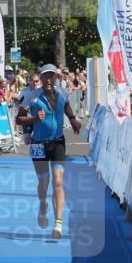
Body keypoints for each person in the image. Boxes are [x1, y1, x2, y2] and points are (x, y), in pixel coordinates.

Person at [16, 64, 82, 240]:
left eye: (51, 76)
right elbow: (19, 119)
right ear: (41, 78)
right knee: (43, 183)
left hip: (58, 142)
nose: (48, 79)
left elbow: (66, 106)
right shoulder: (32, 96)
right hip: (38, 144)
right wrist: (34, 118)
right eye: (45, 76)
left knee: (58, 181)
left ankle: (58, 225)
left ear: (56, 78)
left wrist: (73, 119)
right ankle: (43, 205)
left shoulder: (62, 93)